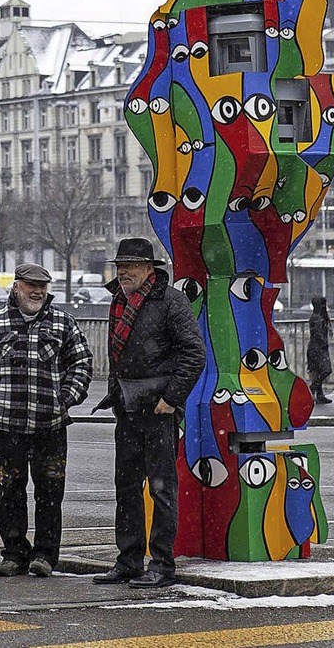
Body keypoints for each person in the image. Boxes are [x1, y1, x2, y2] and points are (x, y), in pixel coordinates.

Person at [0, 263, 93, 578]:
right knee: (9, 493)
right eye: (30, 285)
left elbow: (83, 363)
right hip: (6, 427)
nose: (37, 292)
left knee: (50, 493)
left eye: (42, 287)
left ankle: (45, 556)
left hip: (51, 427)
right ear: (16, 287)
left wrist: (65, 398)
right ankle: (14, 553)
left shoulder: (64, 323)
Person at [92, 238, 206, 589]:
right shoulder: (119, 299)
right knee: (126, 488)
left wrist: (171, 399)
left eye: (129, 265)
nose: (122, 271)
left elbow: (194, 353)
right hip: (127, 406)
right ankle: (128, 561)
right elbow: (117, 355)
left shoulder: (171, 301)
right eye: (119, 265)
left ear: (148, 269)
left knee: (161, 489)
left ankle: (161, 564)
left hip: (158, 408)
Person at [307, 295, 333, 404]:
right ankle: (312, 388)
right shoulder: (318, 318)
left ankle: (320, 394)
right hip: (318, 348)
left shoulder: (316, 316)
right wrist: (323, 343)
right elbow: (318, 334)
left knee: (318, 371)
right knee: (326, 370)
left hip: (315, 348)